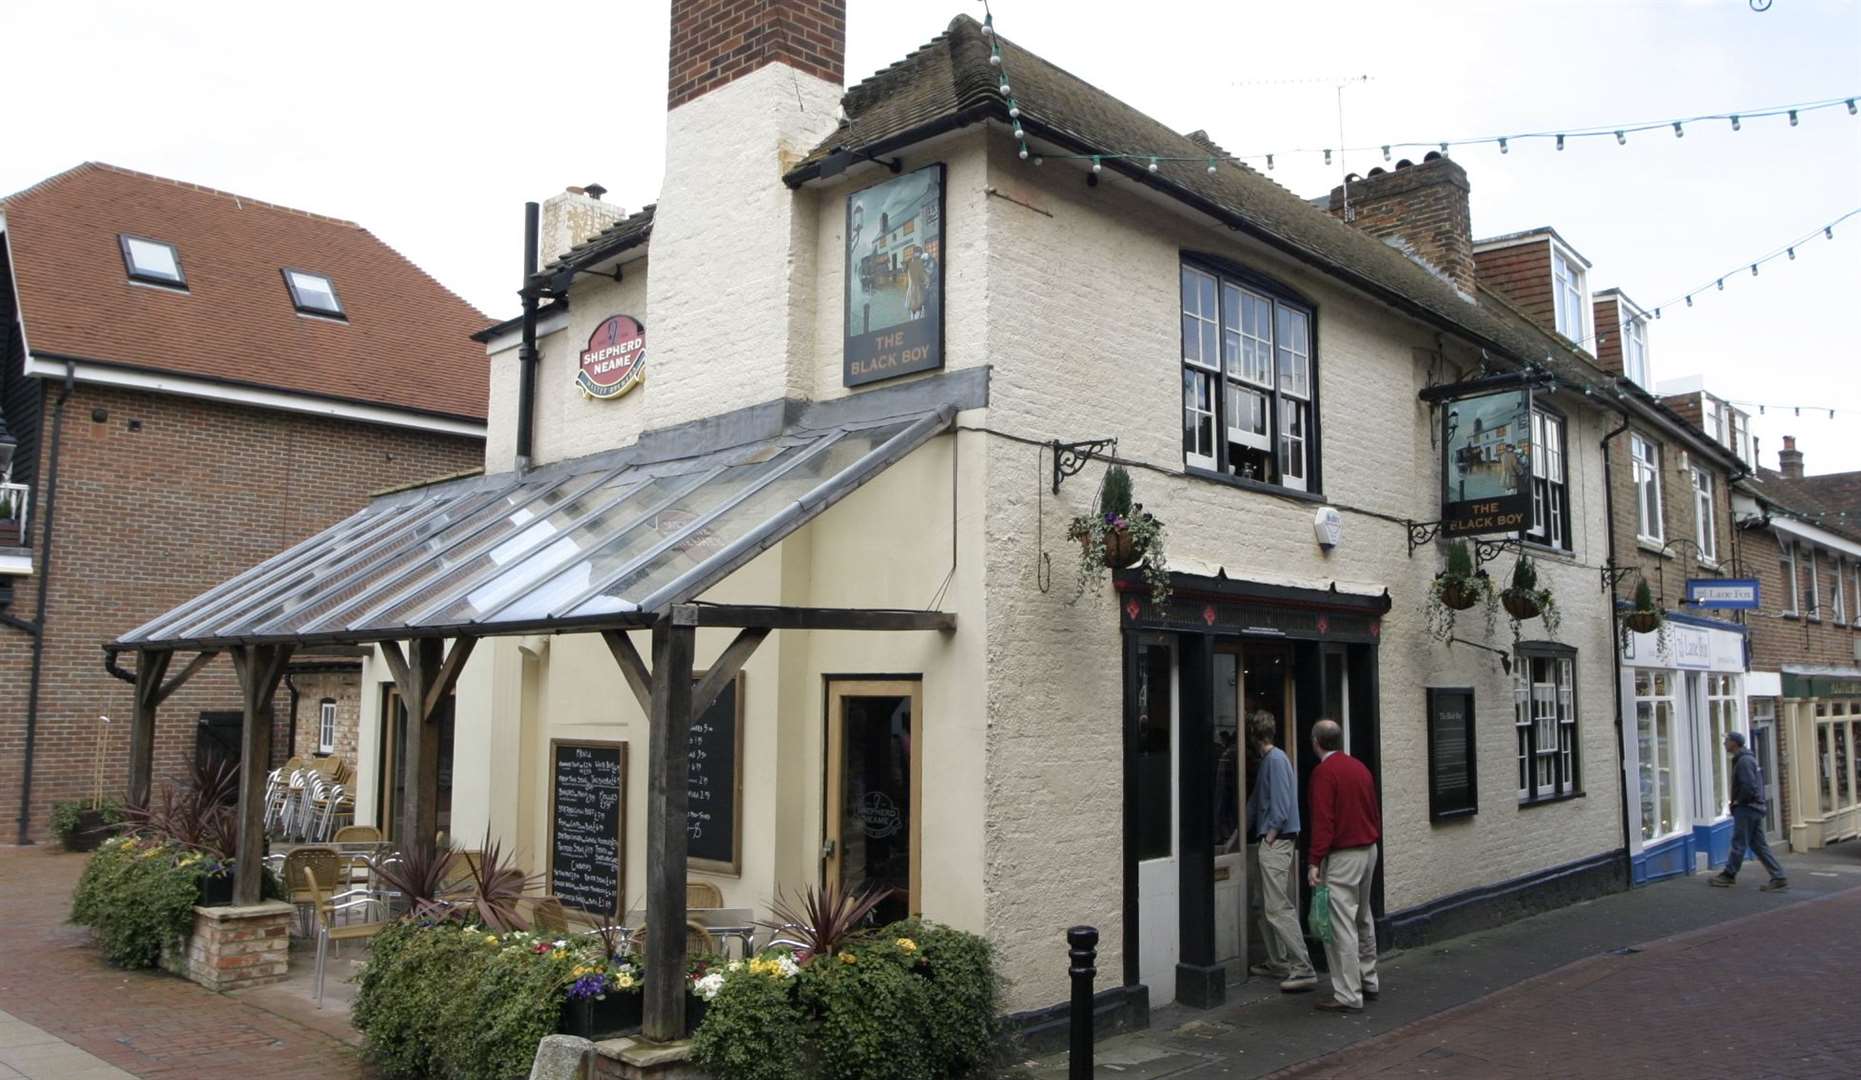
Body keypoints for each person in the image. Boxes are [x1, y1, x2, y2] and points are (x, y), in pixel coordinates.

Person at [1306, 718, 1381, 1013]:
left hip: (1344, 856)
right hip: (1369, 849)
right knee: (1364, 917)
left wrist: (1314, 860)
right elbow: (1373, 810)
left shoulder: (1324, 773)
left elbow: (1324, 821)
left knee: (1341, 925)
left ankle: (1349, 994)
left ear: (1316, 742)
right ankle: (1369, 979)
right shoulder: (1359, 768)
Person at [1246, 711, 1316, 992]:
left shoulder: (1275, 760)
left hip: (1276, 841)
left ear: (1253, 735)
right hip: (1270, 840)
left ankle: (1303, 967)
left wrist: (1271, 835)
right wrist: (1236, 836)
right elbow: (1254, 802)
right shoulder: (1269, 761)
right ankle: (1278, 961)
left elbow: (1282, 803)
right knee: (1262, 905)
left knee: (1278, 907)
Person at [1711, 731, 1788, 891]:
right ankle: (1778, 876)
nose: (1725, 743)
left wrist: (1739, 801)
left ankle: (1728, 875)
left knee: (1739, 842)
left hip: (1747, 808)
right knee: (1759, 845)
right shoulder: (1746, 759)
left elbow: (1748, 786)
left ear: (1735, 743)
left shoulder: (1744, 761)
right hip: (1754, 807)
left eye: (1727, 741)